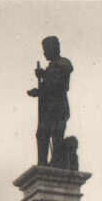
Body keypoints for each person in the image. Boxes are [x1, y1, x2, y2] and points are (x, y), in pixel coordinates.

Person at [27, 35, 73, 166]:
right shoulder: (52, 67)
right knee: (42, 134)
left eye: (46, 49)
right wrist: (43, 77)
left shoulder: (63, 63)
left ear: (55, 48)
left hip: (58, 108)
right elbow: (50, 84)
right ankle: (42, 163)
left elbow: (57, 85)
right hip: (48, 109)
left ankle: (56, 162)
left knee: (56, 134)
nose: (44, 53)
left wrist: (43, 80)